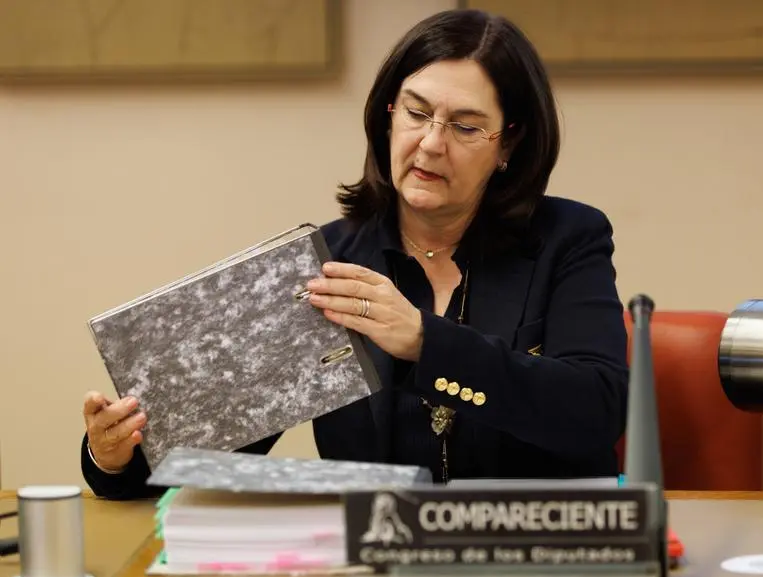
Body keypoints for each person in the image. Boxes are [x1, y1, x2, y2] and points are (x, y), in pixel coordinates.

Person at [81, 8, 629, 500]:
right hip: (376, 552)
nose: (431, 143)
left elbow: (597, 411)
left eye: (465, 126)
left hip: (535, 547)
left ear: (507, 143)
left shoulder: (567, 239)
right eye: (416, 113)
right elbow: (210, 448)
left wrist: (426, 341)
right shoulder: (329, 262)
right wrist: (115, 457)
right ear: (388, 116)